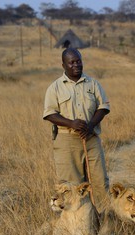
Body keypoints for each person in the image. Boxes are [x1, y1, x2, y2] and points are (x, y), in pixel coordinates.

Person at [43, 48, 110, 212]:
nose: (76, 65)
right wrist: (71, 123)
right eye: (71, 62)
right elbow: (49, 114)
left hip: (91, 138)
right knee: (72, 186)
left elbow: (103, 107)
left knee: (100, 182)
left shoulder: (93, 84)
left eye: (78, 61)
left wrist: (90, 125)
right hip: (67, 141)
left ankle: (104, 221)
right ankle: (76, 224)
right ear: (63, 65)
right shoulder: (55, 87)